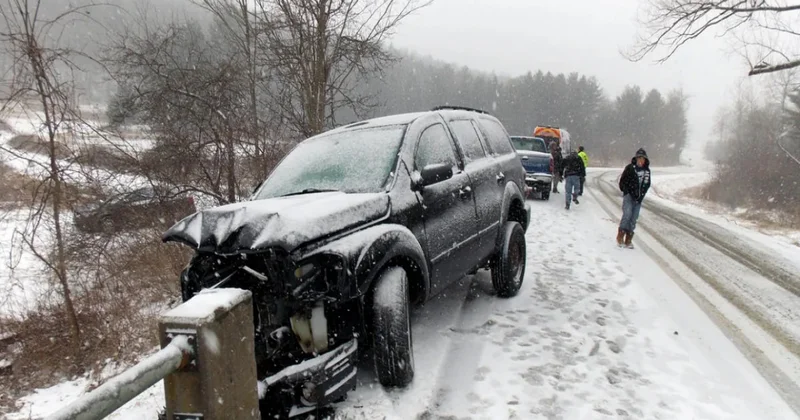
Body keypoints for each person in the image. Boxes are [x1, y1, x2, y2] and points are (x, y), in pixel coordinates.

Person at [617, 148, 651, 248]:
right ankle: (620, 236)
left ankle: (628, 239)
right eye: (639, 158)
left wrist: (641, 195)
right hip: (629, 196)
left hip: (638, 199)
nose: (641, 161)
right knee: (627, 214)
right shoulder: (630, 168)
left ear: (645, 160)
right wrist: (626, 192)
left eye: (643, 159)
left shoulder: (647, 171)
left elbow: (647, 184)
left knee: (633, 218)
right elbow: (622, 181)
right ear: (636, 159)